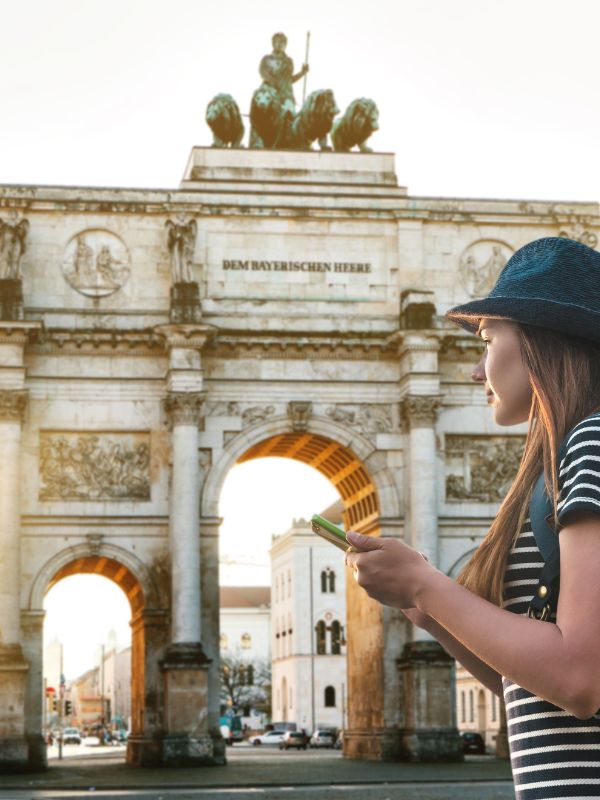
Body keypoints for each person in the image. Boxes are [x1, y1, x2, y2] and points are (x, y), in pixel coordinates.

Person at [345, 236, 600, 799]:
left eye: (485, 340)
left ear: (536, 342)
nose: (475, 371)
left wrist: (430, 586)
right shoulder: (558, 463)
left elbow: (580, 681)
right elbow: (531, 689)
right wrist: (433, 613)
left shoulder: (591, 445)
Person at [259, 33, 308, 120]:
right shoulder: (266, 59)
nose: (279, 44)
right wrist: (274, 85)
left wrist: (302, 73)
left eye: (282, 42)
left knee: (290, 118)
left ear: (286, 44)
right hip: (269, 93)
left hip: (286, 95)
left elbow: (289, 80)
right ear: (273, 43)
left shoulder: (289, 61)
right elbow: (263, 73)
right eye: (277, 41)